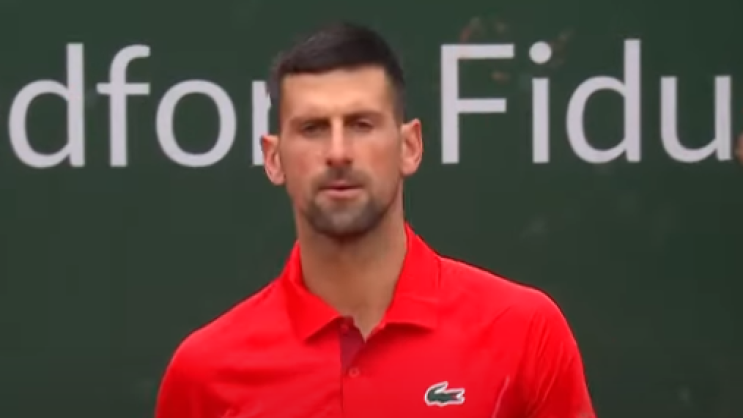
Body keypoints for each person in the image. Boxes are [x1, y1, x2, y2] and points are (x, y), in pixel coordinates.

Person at [154, 21, 596, 418]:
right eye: (312, 128)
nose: (338, 152)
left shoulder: (522, 333)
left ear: (410, 147)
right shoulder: (205, 373)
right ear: (274, 158)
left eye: (361, 124)